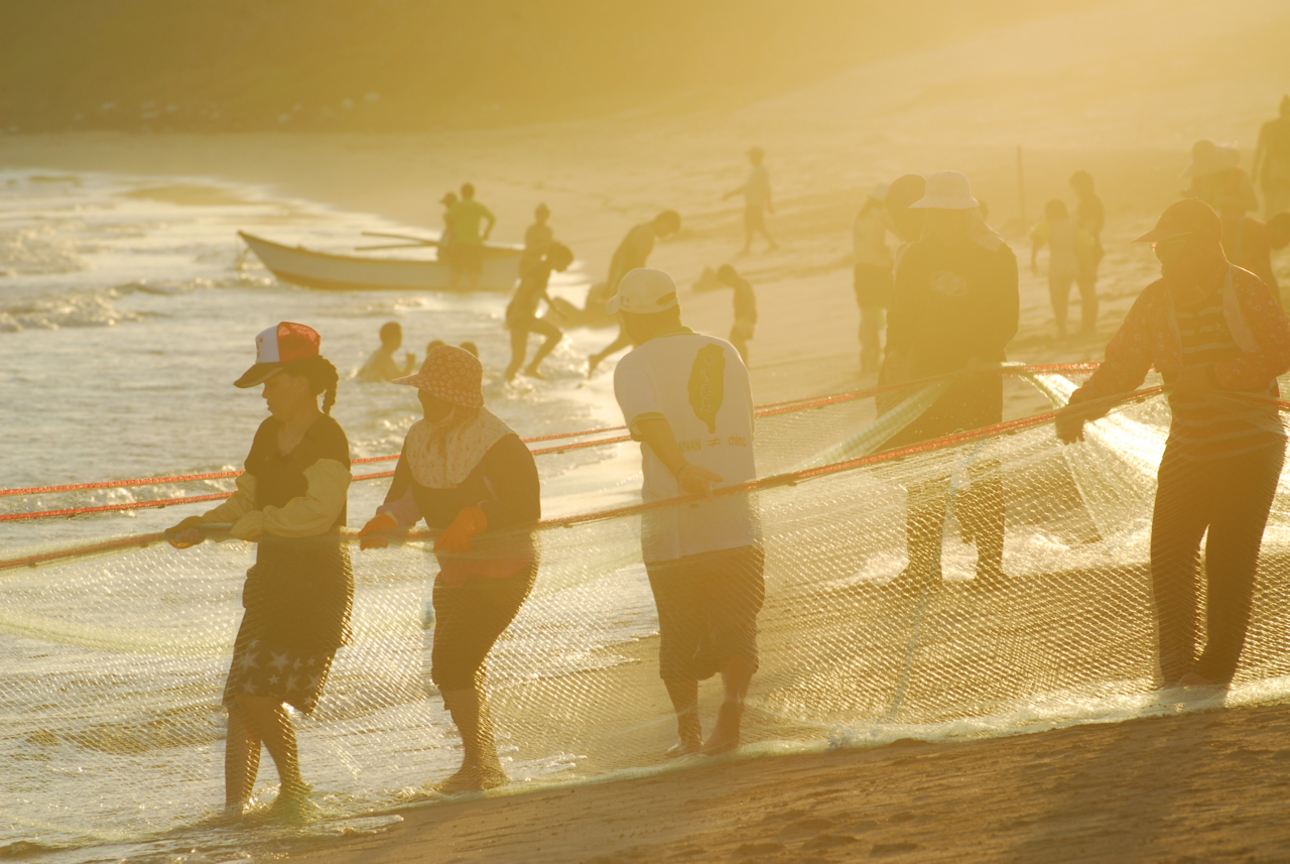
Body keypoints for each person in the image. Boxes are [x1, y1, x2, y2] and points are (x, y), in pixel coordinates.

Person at [1057, 198, 1290, 689]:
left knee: (1228, 558)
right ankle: (1176, 669)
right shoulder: (1154, 300)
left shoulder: (1245, 289)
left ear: (1204, 247)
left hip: (1252, 445)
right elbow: (1123, 366)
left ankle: (1215, 671)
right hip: (1188, 445)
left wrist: (1214, 375)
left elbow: (1279, 349)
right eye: (1158, 249)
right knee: (1168, 554)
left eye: (1171, 248)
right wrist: (1082, 405)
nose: (1162, 258)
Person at [168, 322, 352, 822]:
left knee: (256, 693)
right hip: (271, 581)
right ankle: (236, 808)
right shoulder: (268, 433)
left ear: (299, 382)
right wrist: (202, 525)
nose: (265, 394)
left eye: (271, 382)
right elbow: (246, 500)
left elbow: (318, 511)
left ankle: (294, 789)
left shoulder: (328, 437)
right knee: (241, 699)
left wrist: (260, 523)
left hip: (316, 584)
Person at [358, 346, 541, 792]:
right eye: (423, 391)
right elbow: (407, 497)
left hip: (505, 569)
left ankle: (481, 766)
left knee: (451, 664)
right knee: (458, 667)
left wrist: (476, 516)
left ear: (459, 397)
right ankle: (482, 763)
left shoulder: (500, 442)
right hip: (454, 571)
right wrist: (388, 520)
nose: (424, 399)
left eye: (433, 393)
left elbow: (525, 506)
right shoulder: (417, 437)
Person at [609, 268, 763, 756]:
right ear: (675, 308)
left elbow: (649, 419)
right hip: (738, 517)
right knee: (738, 624)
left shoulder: (634, 364)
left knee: (677, 633)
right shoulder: (726, 351)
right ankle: (730, 717)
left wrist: (682, 469)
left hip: (672, 526)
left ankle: (690, 735)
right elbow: (747, 426)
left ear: (632, 318)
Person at [884, 171, 1019, 592]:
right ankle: (924, 568)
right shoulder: (914, 257)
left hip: (978, 379)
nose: (942, 219)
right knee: (927, 474)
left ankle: (990, 567)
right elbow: (901, 316)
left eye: (950, 211)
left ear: (966, 213)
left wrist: (980, 357)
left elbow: (1005, 318)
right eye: (935, 212)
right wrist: (895, 355)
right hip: (928, 380)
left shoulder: (996, 255)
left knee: (983, 469)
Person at [588, 210, 682, 375]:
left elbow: (617, 257)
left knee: (637, 333)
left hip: (622, 285)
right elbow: (639, 267)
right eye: (670, 230)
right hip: (629, 290)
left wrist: (611, 284)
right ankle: (599, 359)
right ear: (665, 221)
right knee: (631, 335)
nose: (667, 235)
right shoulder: (647, 234)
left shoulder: (639, 228)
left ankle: (638, 370)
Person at [505, 242, 574, 381]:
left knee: (518, 359)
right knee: (519, 358)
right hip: (520, 314)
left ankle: (511, 380)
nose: (566, 267)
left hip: (523, 314)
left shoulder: (544, 270)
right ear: (556, 259)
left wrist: (555, 309)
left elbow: (540, 290)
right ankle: (524, 372)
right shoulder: (540, 270)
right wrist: (513, 316)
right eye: (565, 263)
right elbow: (522, 292)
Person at [1030, 199, 1097, 337]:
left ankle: (1062, 328)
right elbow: (1085, 244)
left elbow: (1037, 240)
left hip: (1057, 261)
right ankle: (1063, 327)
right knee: (1064, 296)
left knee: (1056, 298)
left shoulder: (1048, 224)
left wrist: (1033, 260)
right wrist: (1088, 265)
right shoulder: (1073, 225)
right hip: (1072, 261)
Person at [853, 183, 893, 374]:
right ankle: (895, 355)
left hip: (861, 271)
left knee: (868, 318)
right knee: (893, 312)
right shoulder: (881, 215)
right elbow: (898, 234)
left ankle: (869, 363)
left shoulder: (860, 217)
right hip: (879, 271)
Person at [722, 146, 776, 254]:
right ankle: (770, 245)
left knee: (752, 226)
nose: (750, 159)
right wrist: (730, 194)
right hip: (752, 203)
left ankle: (748, 249)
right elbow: (746, 187)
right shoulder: (755, 170)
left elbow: (767, 189)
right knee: (756, 226)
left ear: (758, 157)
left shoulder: (761, 171)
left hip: (755, 204)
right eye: (750, 156)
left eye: (752, 156)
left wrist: (769, 205)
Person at [1069, 170, 1106, 330]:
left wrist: (1084, 253)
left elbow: (1089, 230)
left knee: (1087, 288)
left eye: (1077, 187)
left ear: (1085, 185)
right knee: (1086, 288)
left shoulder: (1090, 203)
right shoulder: (1090, 202)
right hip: (1088, 247)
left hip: (1088, 249)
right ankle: (1088, 325)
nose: (1075, 191)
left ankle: (1089, 326)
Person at [445, 183, 496, 290]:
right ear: (473, 194)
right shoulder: (478, 206)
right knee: (474, 274)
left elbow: (447, 217)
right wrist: (486, 232)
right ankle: (473, 294)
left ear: (462, 193)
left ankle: (453, 293)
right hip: (475, 244)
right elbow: (492, 219)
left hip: (460, 243)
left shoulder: (457, 206)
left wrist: (452, 230)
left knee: (456, 273)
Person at [1254, 96, 1290, 219]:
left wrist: (1254, 169)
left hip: (1268, 170)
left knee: (1269, 207)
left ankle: (1266, 229)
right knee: (1284, 208)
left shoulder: (1268, 126)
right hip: (1287, 172)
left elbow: (1259, 150)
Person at [715, 264, 757, 365]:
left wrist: (747, 315)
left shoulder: (743, 284)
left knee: (736, 339)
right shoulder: (739, 285)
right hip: (743, 316)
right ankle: (743, 363)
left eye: (726, 282)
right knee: (737, 339)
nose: (727, 285)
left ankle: (744, 364)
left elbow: (752, 299)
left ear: (731, 276)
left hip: (747, 316)